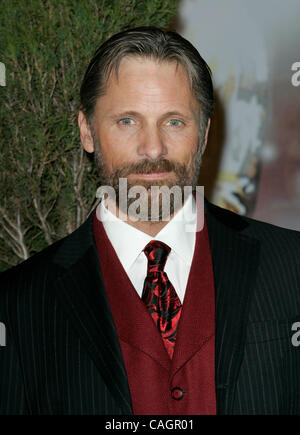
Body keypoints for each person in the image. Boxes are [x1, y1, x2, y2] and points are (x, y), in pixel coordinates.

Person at [1, 26, 300, 416]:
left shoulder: (291, 266)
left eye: (174, 121)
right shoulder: (15, 305)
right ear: (87, 131)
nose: (153, 148)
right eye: (128, 121)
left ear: (205, 134)